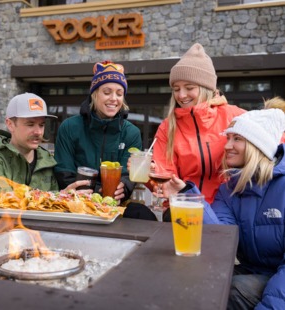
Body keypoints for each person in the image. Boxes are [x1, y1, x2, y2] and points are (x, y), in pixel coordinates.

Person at [161, 109, 285, 309]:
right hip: (250, 272)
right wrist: (187, 195)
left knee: (234, 288)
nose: (227, 146)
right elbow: (219, 236)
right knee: (191, 277)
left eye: (237, 138)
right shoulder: (229, 189)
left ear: (258, 146)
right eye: (228, 138)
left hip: (278, 282)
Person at [53, 61, 156, 220]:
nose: (113, 99)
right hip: (76, 205)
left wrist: (125, 187)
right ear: (95, 93)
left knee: (142, 214)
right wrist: (86, 195)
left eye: (119, 93)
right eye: (107, 92)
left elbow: (127, 175)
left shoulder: (131, 133)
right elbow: (63, 171)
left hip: (115, 209)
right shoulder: (69, 127)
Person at [152, 43, 246, 208]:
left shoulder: (237, 117)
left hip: (229, 210)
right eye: (176, 89)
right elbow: (165, 179)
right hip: (183, 208)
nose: (181, 95)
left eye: (189, 88)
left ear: (205, 88)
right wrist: (151, 174)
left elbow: (274, 150)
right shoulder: (168, 127)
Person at [0, 93, 91, 206]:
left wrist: (66, 198)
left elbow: (52, 208)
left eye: (41, 125)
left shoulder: (49, 162)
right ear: (10, 124)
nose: (38, 132)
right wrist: (59, 198)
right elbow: (7, 203)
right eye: (30, 124)